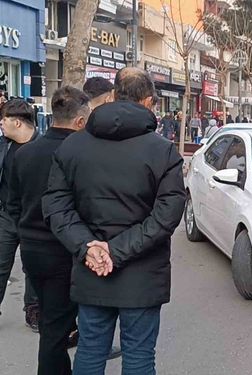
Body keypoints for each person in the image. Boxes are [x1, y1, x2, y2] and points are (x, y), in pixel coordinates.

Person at [42, 67, 186, 374]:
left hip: (92, 268)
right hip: (143, 274)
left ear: (114, 96)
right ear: (148, 102)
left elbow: (56, 204)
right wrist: (116, 251)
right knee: (139, 355)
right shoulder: (163, 151)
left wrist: (89, 248)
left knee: (91, 350)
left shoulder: (73, 146)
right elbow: (167, 215)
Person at [7, 87, 90, 375]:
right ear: (80, 121)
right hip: (62, 251)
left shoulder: (24, 153)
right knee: (55, 328)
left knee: (54, 322)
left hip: (32, 249)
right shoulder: (79, 153)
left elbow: (12, 202)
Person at [0, 99, 40, 331]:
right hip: (6, 216)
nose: (1, 124)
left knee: (32, 267)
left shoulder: (43, 147)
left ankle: (33, 311)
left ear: (17, 122)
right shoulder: (4, 146)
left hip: (32, 219)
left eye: (3, 120)